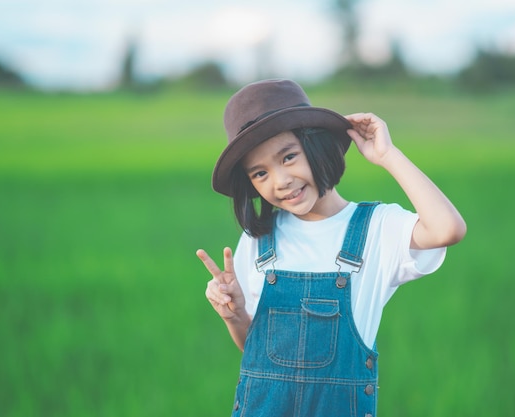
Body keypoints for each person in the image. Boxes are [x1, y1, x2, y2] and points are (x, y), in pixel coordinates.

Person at [196, 79, 466, 416]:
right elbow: (256, 350)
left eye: (289, 156)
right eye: (260, 173)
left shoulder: (376, 228)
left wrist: (388, 156)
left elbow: (447, 229)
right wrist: (234, 316)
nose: (280, 181)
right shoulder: (258, 240)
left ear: (317, 145)